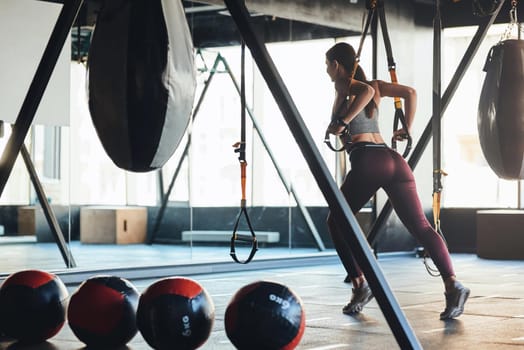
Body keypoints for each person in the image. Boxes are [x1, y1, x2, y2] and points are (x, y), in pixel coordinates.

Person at [324, 42, 470, 320]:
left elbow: (364, 92)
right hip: (394, 161)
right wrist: (407, 127)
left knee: (336, 220)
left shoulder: (346, 86)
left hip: (368, 160)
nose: (326, 71)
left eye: (327, 65)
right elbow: (410, 92)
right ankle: (453, 284)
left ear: (336, 65)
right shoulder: (375, 85)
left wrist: (342, 121)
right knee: (422, 227)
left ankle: (359, 284)